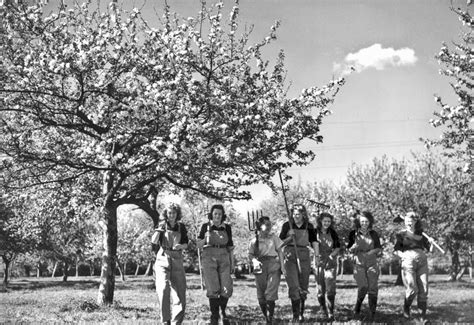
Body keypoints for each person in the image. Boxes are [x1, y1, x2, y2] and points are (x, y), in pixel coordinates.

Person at [279, 204, 319, 321]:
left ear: (303, 214)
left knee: (303, 285)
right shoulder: (287, 225)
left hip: (304, 256)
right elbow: (280, 243)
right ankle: (295, 315)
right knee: (293, 285)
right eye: (294, 214)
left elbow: (314, 242)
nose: (296, 216)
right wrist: (289, 237)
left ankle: (301, 313)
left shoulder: (309, 226)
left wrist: (316, 256)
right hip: (290, 255)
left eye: (298, 214)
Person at [197, 204, 235, 325]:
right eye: (215, 214)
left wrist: (232, 263)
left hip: (224, 256)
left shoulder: (227, 228)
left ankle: (223, 312)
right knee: (213, 288)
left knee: (227, 288)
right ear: (211, 215)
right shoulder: (205, 226)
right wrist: (205, 239)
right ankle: (214, 316)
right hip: (209, 257)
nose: (217, 216)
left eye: (219, 214)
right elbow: (198, 245)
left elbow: (230, 247)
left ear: (222, 216)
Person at [151, 203, 189, 325]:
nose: (171, 215)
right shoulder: (162, 225)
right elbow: (154, 242)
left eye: (173, 213)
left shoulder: (181, 227)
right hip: (163, 258)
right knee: (163, 289)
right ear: (166, 214)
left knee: (180, 292)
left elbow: (186, 243)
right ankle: (165, 320)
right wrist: (158, 230)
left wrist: (181, 246)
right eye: (169, 213)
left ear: (177, 214)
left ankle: (176, 322)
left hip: (177, 258)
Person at [394, 211, 433, 323]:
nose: (408, 223)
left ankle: (422, 317)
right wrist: (403, 256)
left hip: (422, 261)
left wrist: (431, 243)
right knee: (412, 289)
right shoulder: (401, 234)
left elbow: (430, 251)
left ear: (415, 222)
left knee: (424, 289)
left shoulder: (422, 234)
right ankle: (406, 308)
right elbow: (396, 250)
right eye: (407, 222)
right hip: (408, 261)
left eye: (411, 221)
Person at [248, 216, 285, 324]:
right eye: (266, 224)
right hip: (259, 266)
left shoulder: (274, 238)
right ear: (260, 226)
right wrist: (254, 260)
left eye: (270, 224)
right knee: (261, 294)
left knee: (271, 292)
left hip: (273, 265)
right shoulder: (254, 241)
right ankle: (266, 315)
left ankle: (270, 318)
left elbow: (280, 252)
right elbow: (250, 255)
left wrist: (282, 266)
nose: (269, 227)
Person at [347, 210, 382, 321]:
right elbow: (349, 249)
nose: (364, 223)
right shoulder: (353, 233)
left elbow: (378, 248)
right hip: (359, 263)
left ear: (370, 222)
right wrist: (353, 247)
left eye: (366, 221)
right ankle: (357, 307)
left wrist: (371, 252)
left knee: (373, 287)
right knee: (363, 286)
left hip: (372, 262)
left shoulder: (374, 233)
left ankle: (372, 313)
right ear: (359, 222)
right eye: (362, 221)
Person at [314, 212, 341, 321]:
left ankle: (331, 312)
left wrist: (331, 256)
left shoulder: (333, 233)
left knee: (330, 288)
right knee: (320, 289)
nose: (327, 223)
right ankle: (323, 308)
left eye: (329, 221)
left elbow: (338, 247)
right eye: (325, 221)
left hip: (330, 262)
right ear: (320, 221)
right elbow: (310, 245)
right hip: (319, 261)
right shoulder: (314, 232)